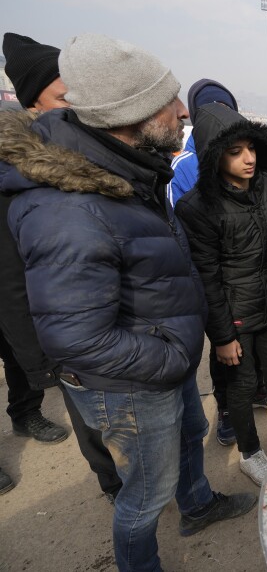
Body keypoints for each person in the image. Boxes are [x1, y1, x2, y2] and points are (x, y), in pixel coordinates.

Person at [0, 33, 255, 571]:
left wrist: (177, 350)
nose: (183, 111)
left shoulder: (125, 168)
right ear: (131, 113)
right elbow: (75, 336)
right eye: (169, 101)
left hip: (161, 354)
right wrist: (169, 357)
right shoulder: (71, 208)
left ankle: (199, 505)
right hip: (133, 378)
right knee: (144, 495)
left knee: (192, 434)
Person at [0, 32, 122, 500]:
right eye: (65, 96)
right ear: (33, 106)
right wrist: (39, 362)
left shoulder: (91, 154)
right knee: (91, 418)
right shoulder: (19, 179)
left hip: (110, 317)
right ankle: (112, 484)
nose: (78, 107)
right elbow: (11, 281)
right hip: (64, 333)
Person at [175, 103, 267, 485]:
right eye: (235, 152)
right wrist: (223, 336)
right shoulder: (198, 207)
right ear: (215, 157)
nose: (248, 159)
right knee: (241, 385)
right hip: (233, 315)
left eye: (252, 149)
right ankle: (250, 451)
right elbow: (205, 278)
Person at [170, 78, 267, 447]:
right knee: (226, 351)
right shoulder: (184, 169)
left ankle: (255, 391)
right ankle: (227, 409)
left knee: (256, 350)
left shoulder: (251, 163)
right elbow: (182, 229)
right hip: (217, 284)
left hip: (252, 284)